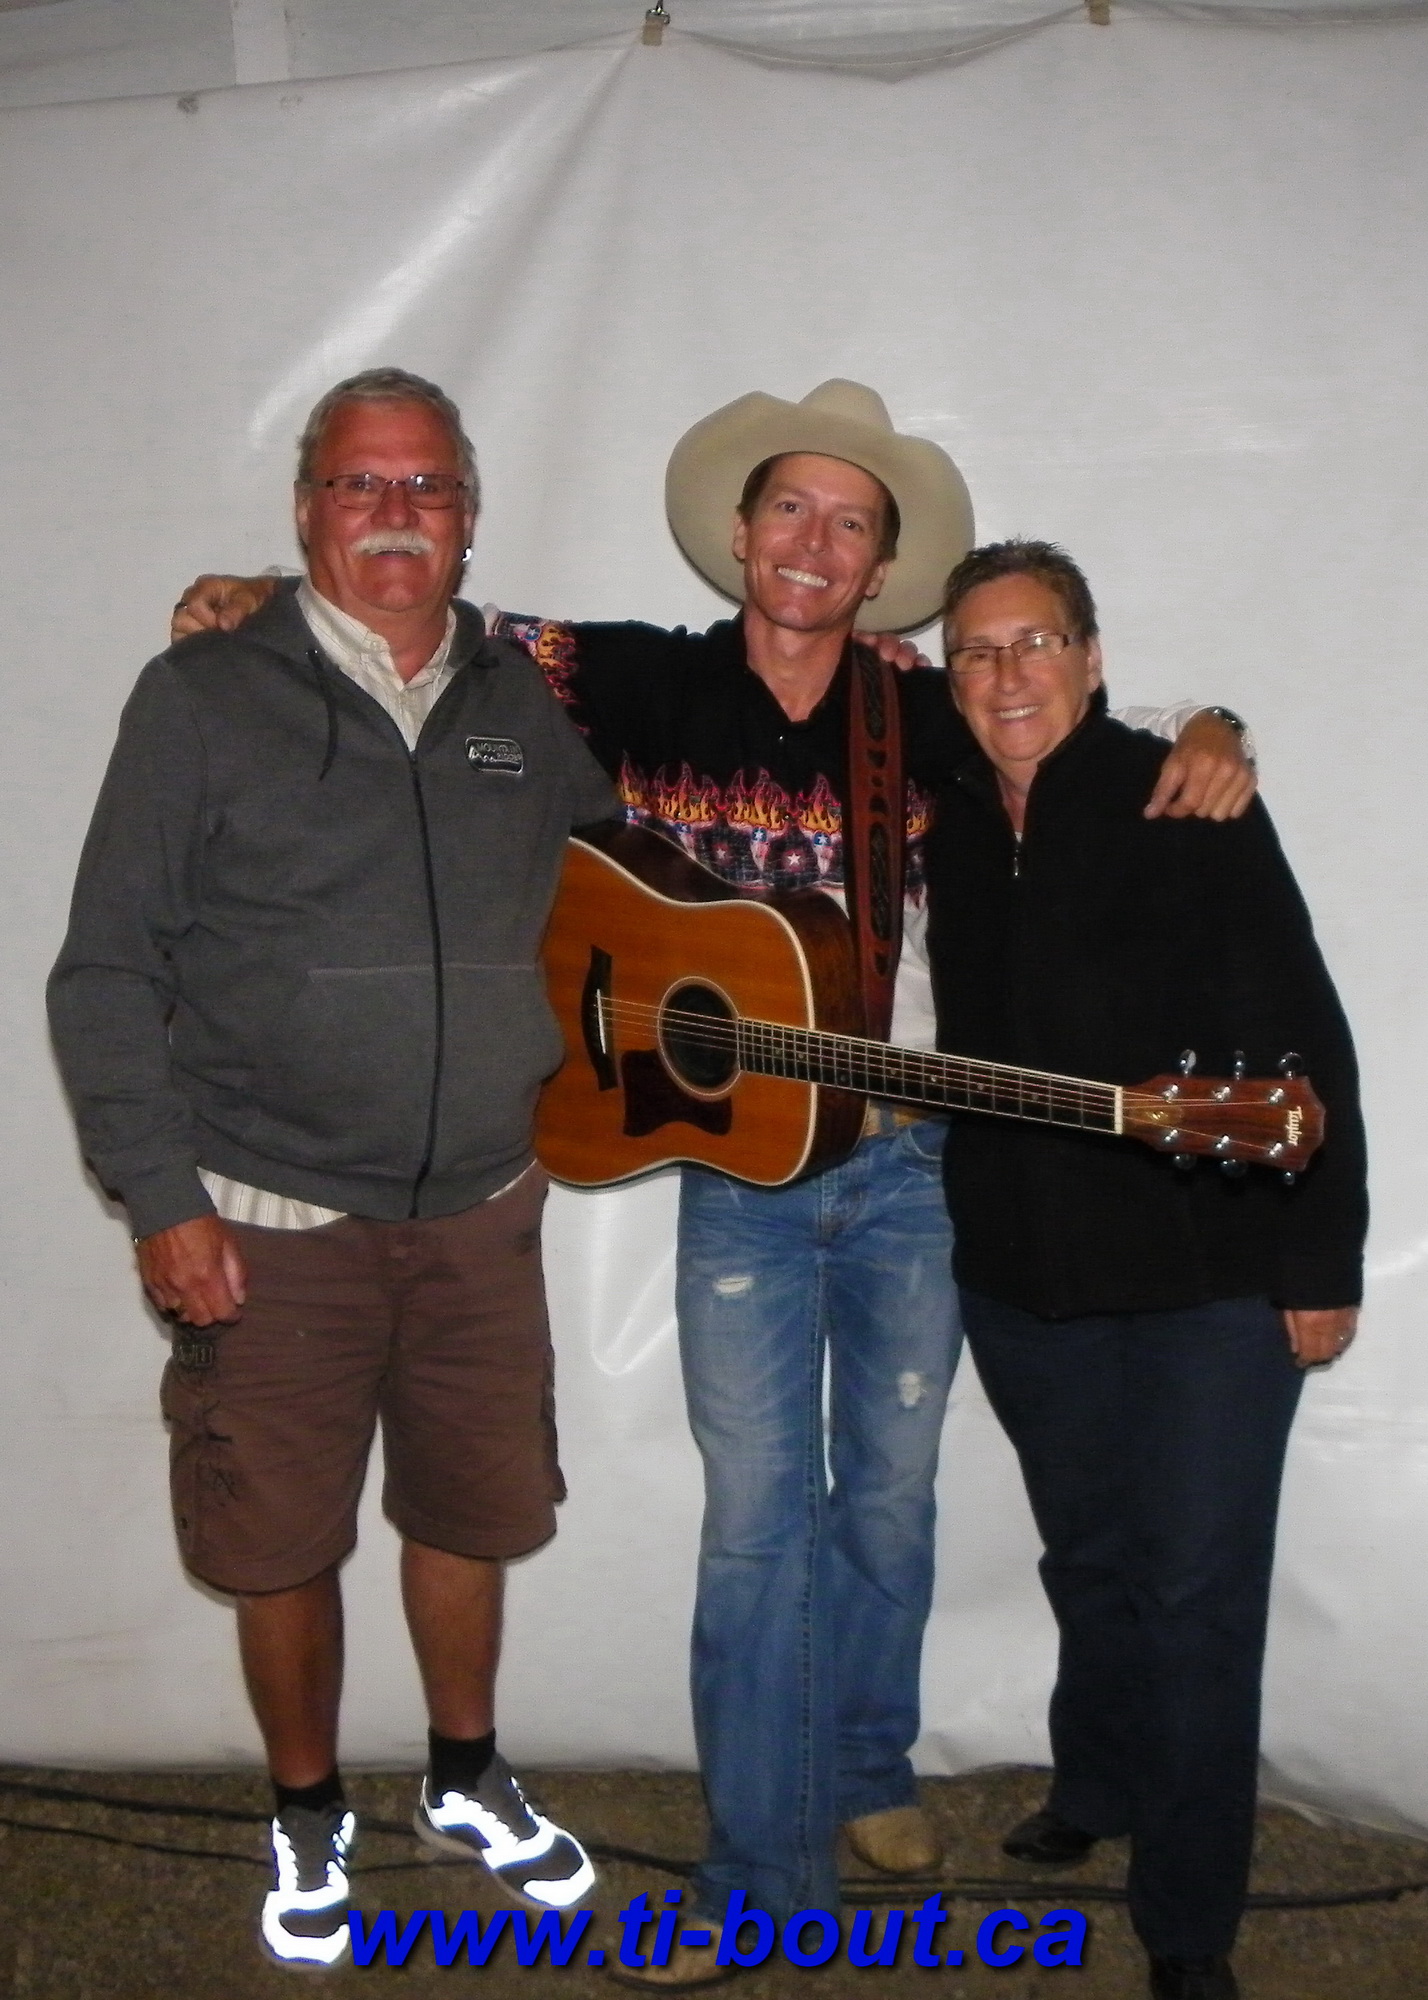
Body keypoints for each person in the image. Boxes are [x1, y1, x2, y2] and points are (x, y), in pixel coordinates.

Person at [170, 381, 1257, 1988]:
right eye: (790, 508)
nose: (816, 542)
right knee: (757, 1523)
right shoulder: (632, 680)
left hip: (911, 1163)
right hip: (740, 1174)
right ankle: (760, 1866)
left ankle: (869, 1770)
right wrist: (264, 594)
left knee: (889, 1502)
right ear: (741, 536)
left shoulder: (921, 708)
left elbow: (1057, 724)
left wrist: (1211, 725)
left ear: (880, 565)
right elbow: (433, 628)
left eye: (851, 521)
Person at [47, 368, 616, 1970]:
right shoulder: (203, 697)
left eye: (426, 486)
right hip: (268, 1223)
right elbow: (104, 973)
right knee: (281, 1541)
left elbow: (637, 885)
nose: (394, 514)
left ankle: (464, 1775)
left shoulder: (524, 707)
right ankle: (307, 1810)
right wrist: (163, 1199)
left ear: (468, 516)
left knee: (467, 1514)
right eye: (360, 484)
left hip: (481, 1216)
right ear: (306, 509)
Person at [922, 540, 1367, 2000]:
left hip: (1208, 1283)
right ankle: (1101, 1779)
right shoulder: (944, 809)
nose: (1008, 674)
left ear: (1093, 658)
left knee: (1194, 1598)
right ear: (947, 675)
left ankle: (1187, 1924)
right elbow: (775, 674)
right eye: (978, 651)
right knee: (1090, 1555)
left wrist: (1320, 1258)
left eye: (1037, 643)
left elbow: (1308, 1029)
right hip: (1023, 1280)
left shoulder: (1188, 799)